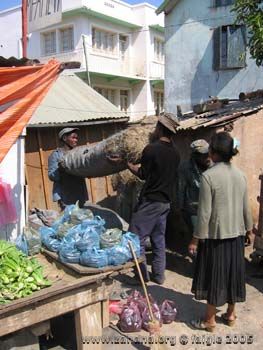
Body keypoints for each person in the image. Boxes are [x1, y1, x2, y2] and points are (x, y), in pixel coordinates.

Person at [188, 132, 253, 332]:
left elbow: (204, 213)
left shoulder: (208, 176)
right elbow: (246, 208)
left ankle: (210, 320)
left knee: (214, 276)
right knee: (233, 274)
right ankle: (230, 315)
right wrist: (249, 230)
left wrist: (195, 239)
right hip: (237, 235)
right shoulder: (240, 175)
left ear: (213, 152)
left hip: (216, 236)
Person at [127, 115, 180, 285]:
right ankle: (159, 276)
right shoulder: (176, 153)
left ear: (159, 128)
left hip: (150, 201)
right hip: (165, 203)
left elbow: (142, 174)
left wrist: (127, 165)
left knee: (135, 238)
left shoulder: (151, 149)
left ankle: (141, 277)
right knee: (158, 239)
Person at [48, 128, 88, 211]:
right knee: (69, 220)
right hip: (65, 195)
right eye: (73, 137)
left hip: (79, 193)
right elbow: (52, 176)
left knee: (80, 218)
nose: (76, 140)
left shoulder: (78, 153)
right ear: (64, 138)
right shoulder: (56, 155)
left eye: (76, 138)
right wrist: (61, 169)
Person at [177, 139, 211, 233]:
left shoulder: (214, 167)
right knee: (198, 236)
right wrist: (180, 211)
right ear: (195, 156)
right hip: (194, 210)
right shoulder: (185, 168)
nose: (207, 157)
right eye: (203, 155)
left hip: (211, 209)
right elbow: (181, 190)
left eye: (208, 153)